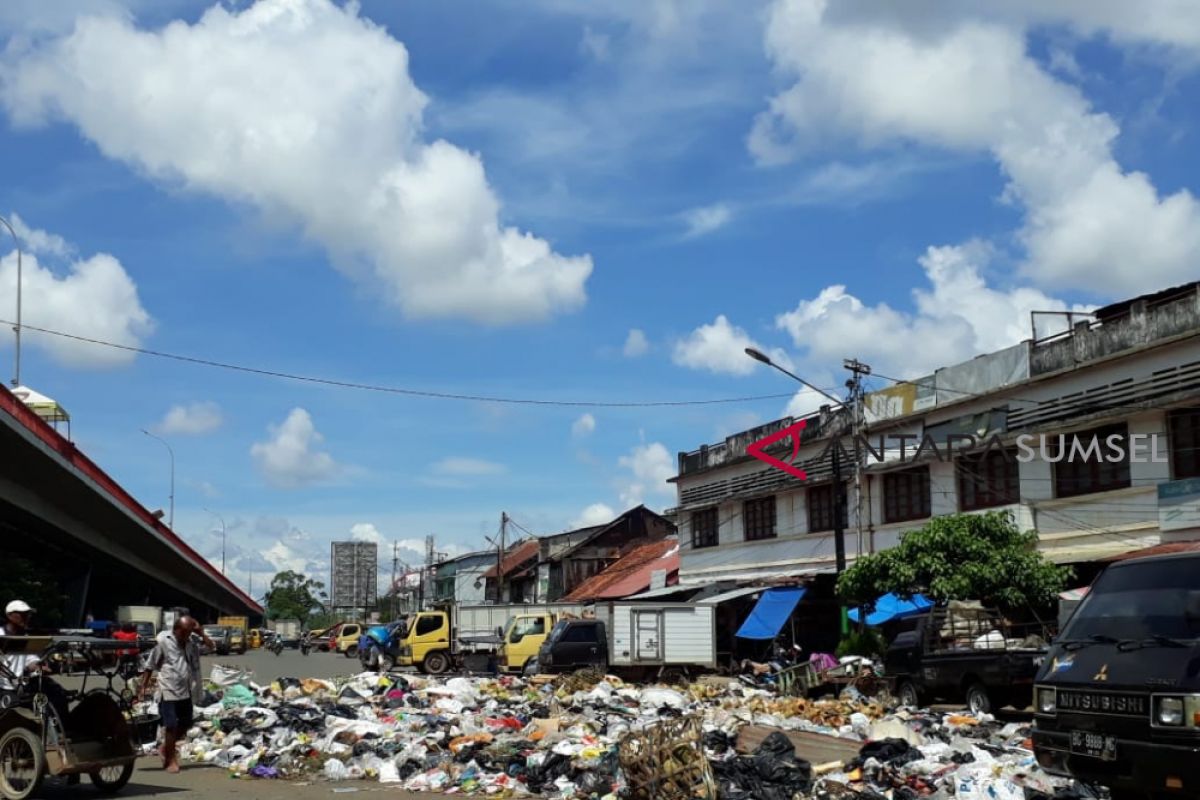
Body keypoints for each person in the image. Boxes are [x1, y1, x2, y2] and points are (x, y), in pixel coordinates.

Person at [138, 616, 214, 773]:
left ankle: (165, 748)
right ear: (177, 630)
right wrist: (142, 687)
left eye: (190, 633)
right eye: (185, 633)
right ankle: (170, 759)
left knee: (186, 722)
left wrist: (201, 633)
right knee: (171, 725)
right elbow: (149, 665)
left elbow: (211, 647)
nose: (187, 636)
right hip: (168, 689)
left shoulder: (191, 644)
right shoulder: (164, 643)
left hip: (186, 690)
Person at [0, 600, 70, 719]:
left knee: (58, 694)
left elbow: (30, 659)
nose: (27, 617)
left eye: (28, 614)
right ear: (9, 616)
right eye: (22, 614)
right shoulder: (1, 634)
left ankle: (59, 727)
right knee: (14, 712)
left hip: (24, 684)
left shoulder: (26, 637)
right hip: (4, 686)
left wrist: (38, 665)